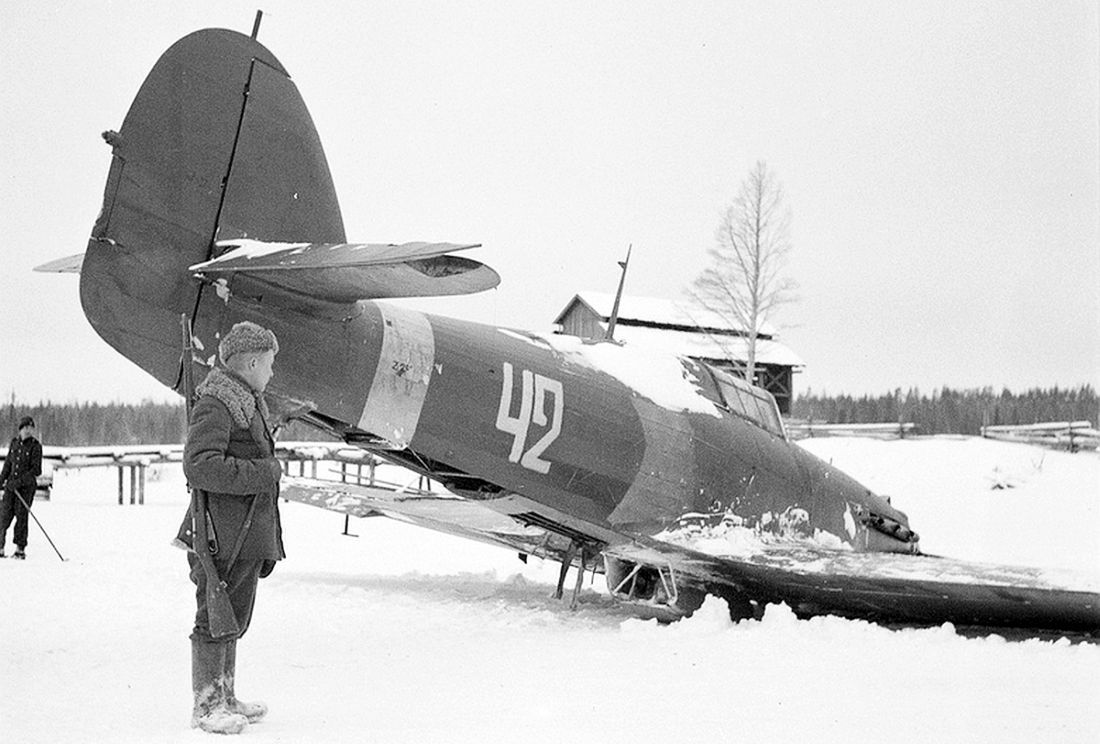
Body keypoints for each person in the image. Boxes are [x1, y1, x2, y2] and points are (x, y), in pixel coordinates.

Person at [175, 321, 285, 735]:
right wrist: (264, 472)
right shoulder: (217, 404)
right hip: (222, 534)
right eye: (270, 363)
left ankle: (225, 697)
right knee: (213, 616)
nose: (272, 372)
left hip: (244, 532)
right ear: (252, 362)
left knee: (233, 615)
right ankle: (206, 706)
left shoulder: (246, 402)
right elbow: (200, 465)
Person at [0, 416, 43, 560]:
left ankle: (20, 549)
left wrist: (18, 482)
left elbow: (36, 470)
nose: (28, 431)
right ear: (20, 429)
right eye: (25, 428)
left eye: (31, 428)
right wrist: (1, 480)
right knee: (3, 516)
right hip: (10, 487)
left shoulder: (36, 446)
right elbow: (8, 464)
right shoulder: (14, 443)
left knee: (21, 517)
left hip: (25, 489)